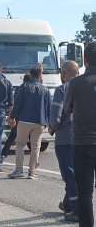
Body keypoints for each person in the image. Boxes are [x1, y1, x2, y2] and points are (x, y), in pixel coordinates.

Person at [64, 42, 96, 226]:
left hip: (83, 142)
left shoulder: (76, 83)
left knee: (84, 192)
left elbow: (68, 108)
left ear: (85, 61)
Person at [7, 67, 51, 179]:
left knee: (21, 144)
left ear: (30, 76)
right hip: (40, 121)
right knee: (36, 146)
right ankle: (32, 172)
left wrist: (12, 116)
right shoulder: (46, 90)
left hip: (25, 120)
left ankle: (19, 170)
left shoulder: (24, 87)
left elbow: (17, 103)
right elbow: (49, 108)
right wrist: (50, 123)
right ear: (40, 77)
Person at [49, 61, 79, 222]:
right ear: (78, 74)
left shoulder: (61, 90)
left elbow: (55, 116)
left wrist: (52, 128)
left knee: (69, 174)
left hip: (65, 138)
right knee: (77, 173)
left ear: (63, 74)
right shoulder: (84, 88)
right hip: (82, 137)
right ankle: (67, 204)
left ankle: (75, 209)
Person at [0, 74, 31, 163]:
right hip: (30, 118)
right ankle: (36, 159)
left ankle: (3, 154)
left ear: (23, 80)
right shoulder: (34, 88)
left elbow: (15, 103)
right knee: (33, 139)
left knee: (12, 136)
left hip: (19, 117)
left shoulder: (20, 89)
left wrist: (12, 115)